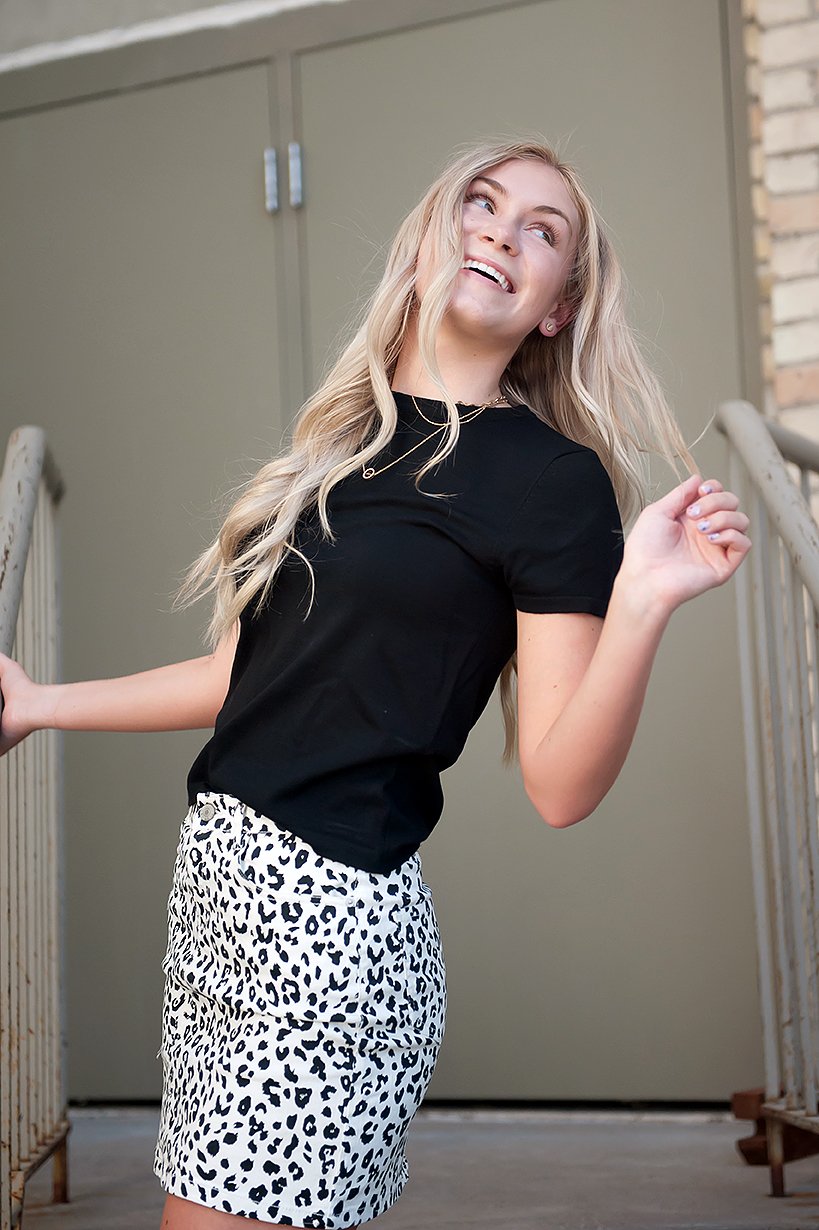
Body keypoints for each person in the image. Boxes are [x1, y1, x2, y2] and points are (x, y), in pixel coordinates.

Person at [0, 138, 750, 1229]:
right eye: (481, 205)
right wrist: (38, 704)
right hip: (219, 898)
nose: (501, 229)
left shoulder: (550, 482)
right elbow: (250, 679)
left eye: (543, 229)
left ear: (555, 306)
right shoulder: (341, 453)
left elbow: (558, 785)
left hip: (327, 920)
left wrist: (640, 599)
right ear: (429, 243)